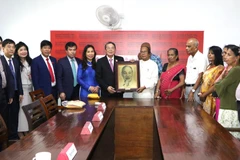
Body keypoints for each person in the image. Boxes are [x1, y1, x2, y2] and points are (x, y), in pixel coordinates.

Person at [214, 45, 240, 139]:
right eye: (225, 54)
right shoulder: (232, 69)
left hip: (230, 107)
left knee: (227, 139)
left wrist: (221, 79)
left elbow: (218, 85)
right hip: (228, 105)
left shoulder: (236, 70)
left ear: (237, 57)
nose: (225, 56)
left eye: (229, 55)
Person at [2, 39, 23, 140]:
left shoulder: (15, 61)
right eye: (9, 47)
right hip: (5, 94)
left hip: (15, 93)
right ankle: (6, 137)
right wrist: (9, 95)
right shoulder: (1, 61)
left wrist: (20, 92)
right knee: (6, 116)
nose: (11, 49)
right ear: (3, 48)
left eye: (13, 47)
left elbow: (18, 78)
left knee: (15, 114)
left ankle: (14, 135)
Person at [198, 46, 224, 117]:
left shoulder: (220, 68)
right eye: (208, 53)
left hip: (211, 97)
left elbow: (215, 85)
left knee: (210, 122)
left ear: (217, 55)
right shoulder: (208, 67)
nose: (209, 55)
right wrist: (202, 94)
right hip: (204, 97)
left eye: (212, 53)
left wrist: (205, 94)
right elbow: (204, 82)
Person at [14, 42, 33, 133]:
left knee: (30, 109)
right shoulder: (15, 62)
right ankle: (22, 129)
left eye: (25, 49)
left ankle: (29, 128)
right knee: (22, 110)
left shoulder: (30, 61)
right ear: (16, 51)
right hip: (22, 90)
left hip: (30, 88)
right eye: (21, 50)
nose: (23, 51)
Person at [184, 38, 208, 104]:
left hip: (196, 88)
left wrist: (192, 91)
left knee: (194, 112)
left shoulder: (201, 58)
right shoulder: (189, 58)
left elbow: (200, 77)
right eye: (186, 46)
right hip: (187, 87)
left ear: (196, 47)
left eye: (189, 46)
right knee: (186, 111)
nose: (186, 48)